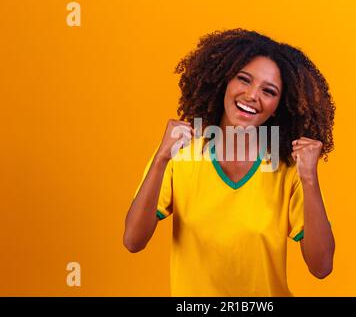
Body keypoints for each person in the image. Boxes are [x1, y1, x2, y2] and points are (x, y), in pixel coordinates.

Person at [123, 28, 336, 296]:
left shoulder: (289, 167)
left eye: (268, 91)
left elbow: (321, 266)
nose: (251, 95)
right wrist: (161, 159)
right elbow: (133, 240)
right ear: (224, 81)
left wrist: (309, 178)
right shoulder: (181, 152)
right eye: (243, 80)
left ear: (278, 107)